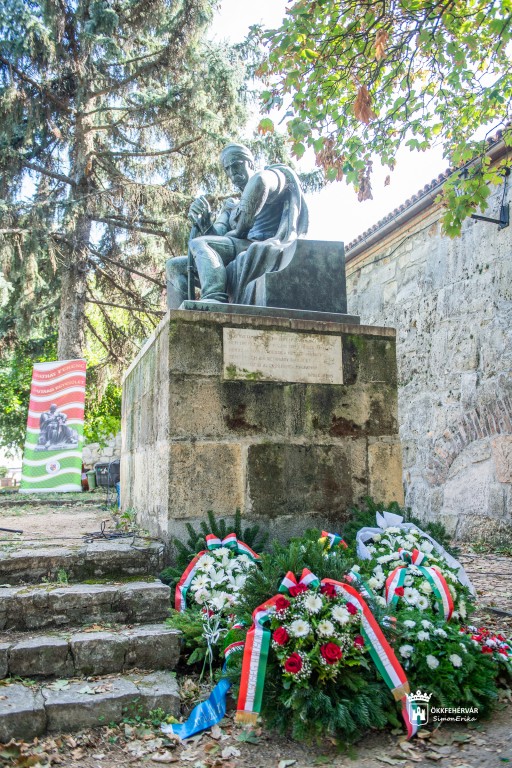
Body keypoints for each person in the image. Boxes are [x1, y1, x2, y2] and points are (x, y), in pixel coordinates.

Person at [166, 143, 308, 308]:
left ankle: (214, 299)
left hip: (259, 244)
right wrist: (205, 222)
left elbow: (260, 181)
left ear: (250, 164)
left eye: (236, 165)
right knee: (174, 266)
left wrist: (241, 228)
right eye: (228, 169)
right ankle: (179, 317)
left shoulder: (270, 178)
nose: (233, 172)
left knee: (200, 243)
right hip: (235, 248)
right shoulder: (231, 207)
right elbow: (218, 236)